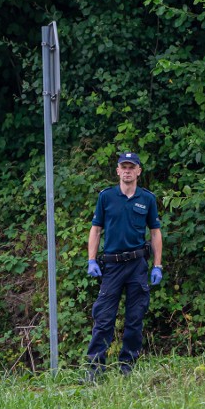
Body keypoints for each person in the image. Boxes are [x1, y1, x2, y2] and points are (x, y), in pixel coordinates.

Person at [85, 151, 163, 379]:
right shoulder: (106, 197)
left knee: (135, 317)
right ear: (117, 171)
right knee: (104, 317)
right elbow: (96, 229)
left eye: (132, 167)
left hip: (137, 264)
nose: (127, 171)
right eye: (124, 167)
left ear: (138, 171)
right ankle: (95, 369)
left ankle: (127, 367)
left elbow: (155, 233)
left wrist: (157, 265)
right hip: (112, 266)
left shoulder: (147, 199)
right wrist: (91, 260)